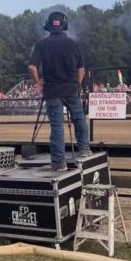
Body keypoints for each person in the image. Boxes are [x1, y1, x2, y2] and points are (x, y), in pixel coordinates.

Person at [28, 11, 91, 171]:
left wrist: (38, 83)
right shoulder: (72, 43)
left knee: (57, 126)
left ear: (48, 25)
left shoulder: (42, 44)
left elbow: (32, 66)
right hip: (71, 88)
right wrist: (77, 83)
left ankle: (58, 163)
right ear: (65, 25)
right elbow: (81, 68)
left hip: (52, 90)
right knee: (79, 118)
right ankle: (84, 150)